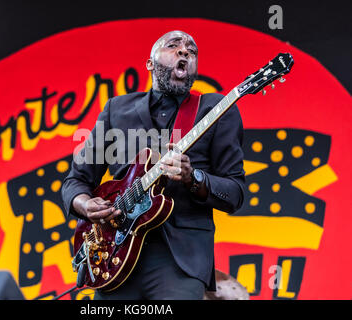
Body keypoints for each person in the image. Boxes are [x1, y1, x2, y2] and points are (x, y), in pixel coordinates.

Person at [61, 30, 245, 300]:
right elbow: (76, 179)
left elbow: (235, 192)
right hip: (114, 258)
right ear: (149, 63)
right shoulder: (116, 109)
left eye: (191, 51)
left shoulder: (214, 108)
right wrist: (84, 204)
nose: (184, 52)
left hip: (181, 262)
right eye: (173, 45)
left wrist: (193, 177)